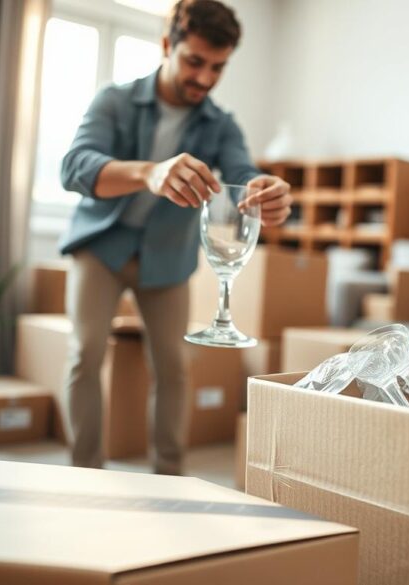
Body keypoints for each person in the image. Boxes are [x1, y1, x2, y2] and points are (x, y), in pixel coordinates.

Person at [58, 0, 291, 474]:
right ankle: (85, 473)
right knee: (85, 354)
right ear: (168, 45)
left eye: (218, 68)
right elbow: (74, 167)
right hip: (100, 248)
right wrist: (149, 173)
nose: (205, 78)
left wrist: (263, 191)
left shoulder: (221, 124)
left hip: (167, 260)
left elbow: (244, 172)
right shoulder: (114, 100)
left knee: (175, 367)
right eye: (194, 62)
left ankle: (169, 478)